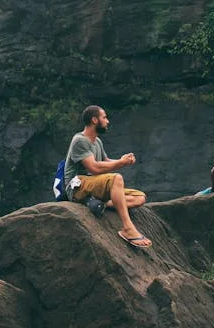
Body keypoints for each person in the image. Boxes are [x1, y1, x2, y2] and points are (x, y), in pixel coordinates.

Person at [64, 105, 152, 248]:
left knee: (140, 197)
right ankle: (128, 229)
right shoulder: (80, 140)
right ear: (94, 120)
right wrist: (120, 164)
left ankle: (100, 204)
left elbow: (105, 161)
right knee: (116, 178)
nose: (107, 121)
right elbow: (94, 167)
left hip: (94, 185)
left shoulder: (97, 141)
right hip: (77, 186)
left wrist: (122, 161)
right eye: (104, 117)